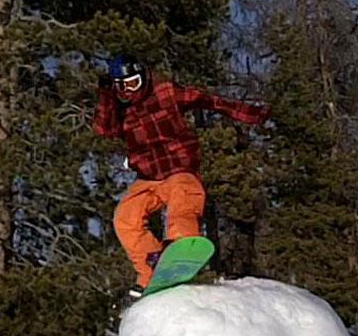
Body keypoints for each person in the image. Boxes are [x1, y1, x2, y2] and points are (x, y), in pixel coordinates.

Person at [93, 55, 270, 296]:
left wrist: (251, 113)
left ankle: (181, 244)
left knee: (183, 201)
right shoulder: (121, 109)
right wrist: (106, 95)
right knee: (126, 216)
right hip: (148, 178)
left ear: (144, 77)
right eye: (121, 87)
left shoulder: (166, 92)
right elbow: (104, 129)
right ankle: (149, 270)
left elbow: (209, 101)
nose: (128, 92)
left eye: (133, 84)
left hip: (179, 169)